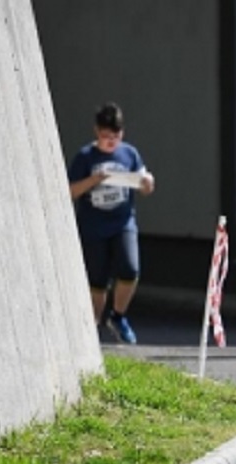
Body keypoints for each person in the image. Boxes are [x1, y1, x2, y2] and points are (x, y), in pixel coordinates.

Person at [68, 102, 155, 344]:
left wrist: (147, 182)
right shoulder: (85, 157)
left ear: (122, 134)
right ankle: (93, 326)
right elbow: (71, 191)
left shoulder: (129, 154)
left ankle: (118, 315)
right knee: (97, 280)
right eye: (106, 137)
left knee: (130, 268)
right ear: (97, 132)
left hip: (122, 222)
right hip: (93, 226)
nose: (111, 142)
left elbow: (144, 181)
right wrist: (94, 179)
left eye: (115, 137)